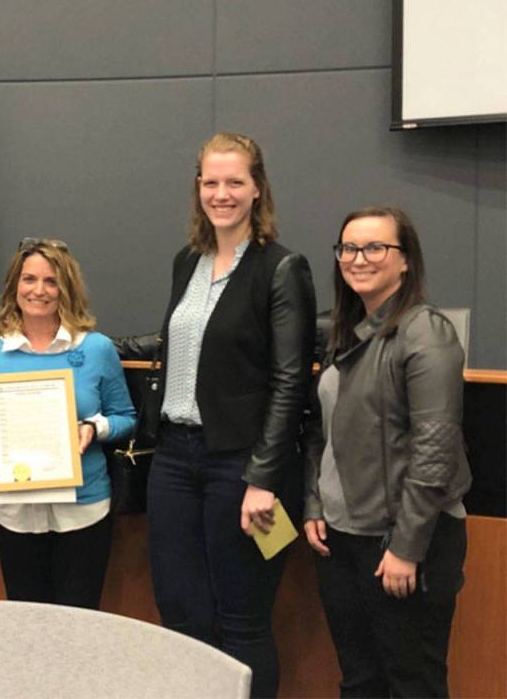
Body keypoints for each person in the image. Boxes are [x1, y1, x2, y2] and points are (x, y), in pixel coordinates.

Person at [117, 132, 316, 697]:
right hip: (174, 462)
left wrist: (263, 479)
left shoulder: (282, 268)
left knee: (242, 621)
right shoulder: (188, 262)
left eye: (234, 182)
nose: (221, 193)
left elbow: (290, 382)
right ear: (197, 187)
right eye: (210, 182)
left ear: (257, 189)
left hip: (243, 467)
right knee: (181, 615)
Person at [302, 206, 470, 698]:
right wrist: (314, 503)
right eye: (348, 248)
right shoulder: (344, 331)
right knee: (360, 681)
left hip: (402, 543)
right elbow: (320, 431)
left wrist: (406, 548)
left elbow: (435, 449)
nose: (358, 259)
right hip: (340, 540)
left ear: (405, 260)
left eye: (375, 247)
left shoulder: (426, 332)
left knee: (413, 684)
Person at [0, 239, 136, 609]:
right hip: (17, 511)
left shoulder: (96, 349)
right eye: (29, 279)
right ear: (15, 286)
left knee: (78, 621)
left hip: (84, 508)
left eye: (51, 281)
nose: (38, 290)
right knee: (28, 622)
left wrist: (93, 428)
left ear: (66, 288)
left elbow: (126, 419)